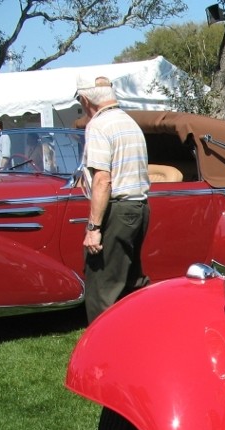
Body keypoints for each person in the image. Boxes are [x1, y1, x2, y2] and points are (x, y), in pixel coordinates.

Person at [75, 75, 150, 323]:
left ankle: (101, 349)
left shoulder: (99, 125)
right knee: (130, 281)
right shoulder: (129, 122)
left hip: (117, 209)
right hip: (138, 207)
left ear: (85, 100)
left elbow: (102, 180)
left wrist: (94, 227)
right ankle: (132, 337)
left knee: (102, 286)